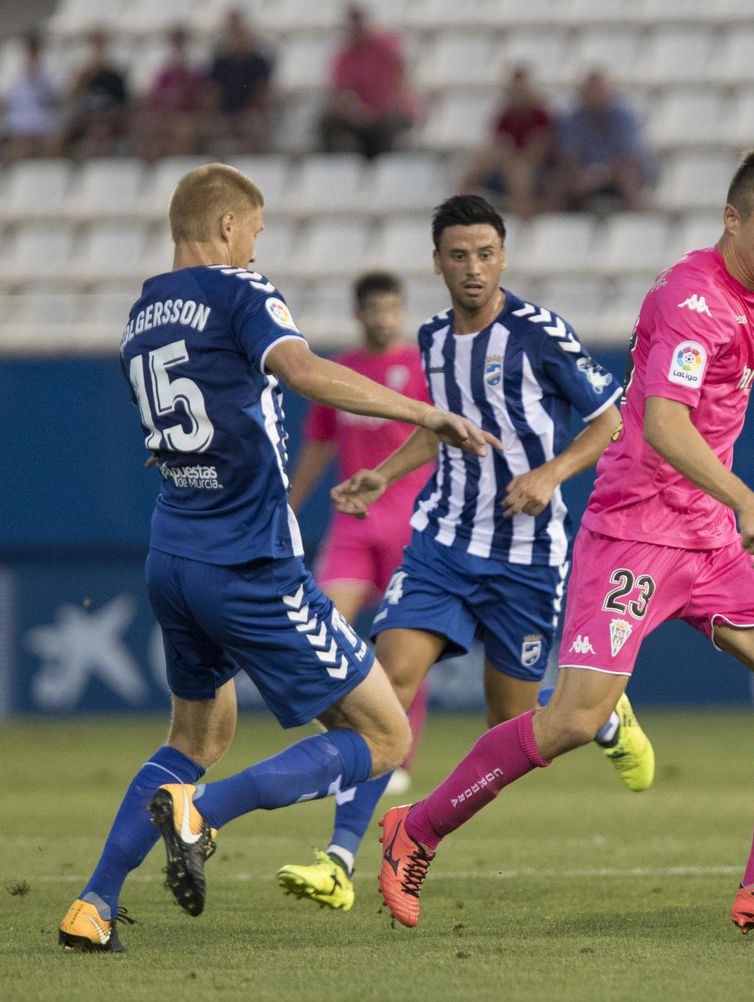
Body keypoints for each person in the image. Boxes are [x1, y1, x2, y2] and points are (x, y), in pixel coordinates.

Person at [377, 148, 754, 938]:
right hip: (635, 531)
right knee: (570, 720)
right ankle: (415, 831)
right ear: (732, 219)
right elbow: (665, 425)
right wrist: (749, 501)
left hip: (702, 536)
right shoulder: (695, 299)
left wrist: (723, 510)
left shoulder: (748, 288)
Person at [57, 163, 497, 952]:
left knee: (195, 735)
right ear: (227, 227)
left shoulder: (144, 312)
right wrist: (423, 410)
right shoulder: (242, 291)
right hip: (249, 562)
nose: (258, 249)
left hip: (173, 555)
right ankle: (204, 812)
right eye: (255, 231)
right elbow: (302, 371)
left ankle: (93, 902)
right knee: (386, 737)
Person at [271, 195, 654, 912]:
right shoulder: (434, 339)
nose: (473, 268)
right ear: (437, 262)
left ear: (503, 257)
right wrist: (383, 473)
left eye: (485, 254)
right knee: (388, 680)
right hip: (444, 541)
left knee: (510, 727)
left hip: (528, 557)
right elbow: (448, 428)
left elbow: (610, 420)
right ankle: (339, 857)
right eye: (458, 255)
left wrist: (548, 474)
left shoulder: (540, 333)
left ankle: (603, 718)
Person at [273, 271, 435, 904]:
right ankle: (350, 740)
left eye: (391, 306)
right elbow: (316, 447)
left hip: (407, 525)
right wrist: (288, 503)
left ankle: (399, 758)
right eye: (373, 308)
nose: (383, 317)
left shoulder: (419, 369)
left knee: (401, 647)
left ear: (399, 310)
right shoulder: (336, 373)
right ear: (359, 311)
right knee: (320, 633)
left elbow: (437, 440)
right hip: (351, 527)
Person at [318, 3, 418, 159]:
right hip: (358, 116)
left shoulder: (387, 48)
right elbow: (338, 93)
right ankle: (337, 169)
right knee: (328, 122)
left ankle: (383, 168)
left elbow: (400, 84)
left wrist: (379, 110)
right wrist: (354, 110)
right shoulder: (343, 56)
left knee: (390, 126)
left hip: (387, 112)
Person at [459, 66, 555, 220]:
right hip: (509, 163)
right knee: (479, 160)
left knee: (518, 172)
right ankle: (461, 208)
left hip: (537, 168)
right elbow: (497, 144)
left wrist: (509, 155)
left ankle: (525, 220)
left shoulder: (540, 115)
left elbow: (537, 152)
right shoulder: (505, 115)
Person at [551, 70, 651, 213]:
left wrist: (598, 176)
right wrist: (582, 176)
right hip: (583, 174)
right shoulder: (573, 118)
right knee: (560, 180)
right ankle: (557, 227)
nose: (593, 95)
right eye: (589, 90)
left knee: (628, 175)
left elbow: (626, 157)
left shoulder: (623, 115)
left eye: (597, 90)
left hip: (615, 173)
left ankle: (638, 223)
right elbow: (568, 157)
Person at [207, 8, 274, 154]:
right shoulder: (220, 62)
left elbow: (261, 94)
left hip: (248, 113)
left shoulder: (258, 62)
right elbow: (213, 94)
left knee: (253, 125)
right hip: (225, 114)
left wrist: (245, 115)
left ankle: (252, 166)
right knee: (207, 127)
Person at [138, 25, 206, 160]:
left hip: (188, 115)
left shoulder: (195, 69)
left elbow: (199, 96)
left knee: (183, 131)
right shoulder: (164, 71)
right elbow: (156, 96)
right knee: (148, 126)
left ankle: (176, 165)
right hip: (165, 114)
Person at [0, 32, 64, 162]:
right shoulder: (12, 69)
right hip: (18, 122)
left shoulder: (52, 66)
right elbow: (6, 98)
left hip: (44, 121)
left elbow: (56, 99)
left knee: (53, 144)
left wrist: (39, 77)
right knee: (17, 148)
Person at [65, 28, 130, 158]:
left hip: (109, 119)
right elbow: (73, 96)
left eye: (101, 46)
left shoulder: (114, 76)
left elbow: (122, 103)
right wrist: (85, 77)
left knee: (101, 130)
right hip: (87, 118)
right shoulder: (83, 75)